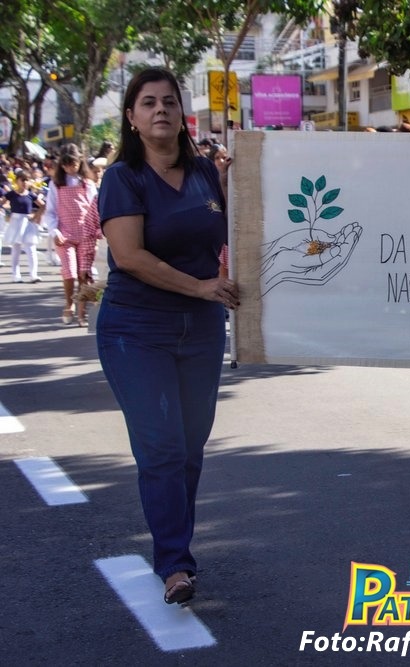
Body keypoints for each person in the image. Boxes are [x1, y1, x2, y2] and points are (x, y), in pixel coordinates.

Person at [96, 66, 239, 605]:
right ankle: (175, 564)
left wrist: (240, 185)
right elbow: (129, 256)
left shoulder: (205, 173)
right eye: (148, 102)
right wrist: (200, 287)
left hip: (201, 329)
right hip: (136, 331)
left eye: (170, 102)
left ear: (183, 114)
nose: (161, 109)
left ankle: (177, 550)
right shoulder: (122, 179)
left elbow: (238, 231)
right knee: (161, 447)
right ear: (132, 119)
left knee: (190, 449)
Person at [44, 144, 98, 324]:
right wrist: (54, 230)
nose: (70, 168)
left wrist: (97, 229)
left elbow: (94, 208)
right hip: (64, 233)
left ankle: (83, 312)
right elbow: (50, 211)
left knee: (84, 273)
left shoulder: (87, 183)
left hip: (86, 233)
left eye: (73, 164)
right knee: (69, 272)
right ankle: (69, 303)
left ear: (80, 162)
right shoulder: (56, 184)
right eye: (66, 165)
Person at [3, 169, 44, 283]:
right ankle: (16, 275)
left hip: (27, 222)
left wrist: (36, 216)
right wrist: (7, 213)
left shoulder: (31, 195)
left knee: (31, 249)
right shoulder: (11, 194)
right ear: (17, 181)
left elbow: (43, 206)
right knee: (16, 250)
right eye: (22, 180)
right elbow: (2, 203)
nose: (25, 182)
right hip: (15, 222)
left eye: (27, 180)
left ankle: (33, 274)